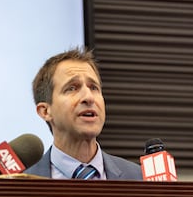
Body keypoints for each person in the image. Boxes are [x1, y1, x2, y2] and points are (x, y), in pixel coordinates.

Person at [24, 46, 142, 180]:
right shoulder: (20, 186)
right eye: (72, 88)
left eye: (94, 87)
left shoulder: (139, 178)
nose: (89, 97)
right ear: (45, 111)